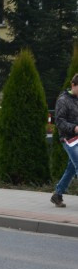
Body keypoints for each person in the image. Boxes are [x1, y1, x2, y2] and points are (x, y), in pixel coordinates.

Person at [51, 74, 78, 207]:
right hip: (69, 139)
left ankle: (57, 194)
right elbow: (59, 121)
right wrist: (75, 128)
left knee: (72, 168)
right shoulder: (63, 100)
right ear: (73, 85)